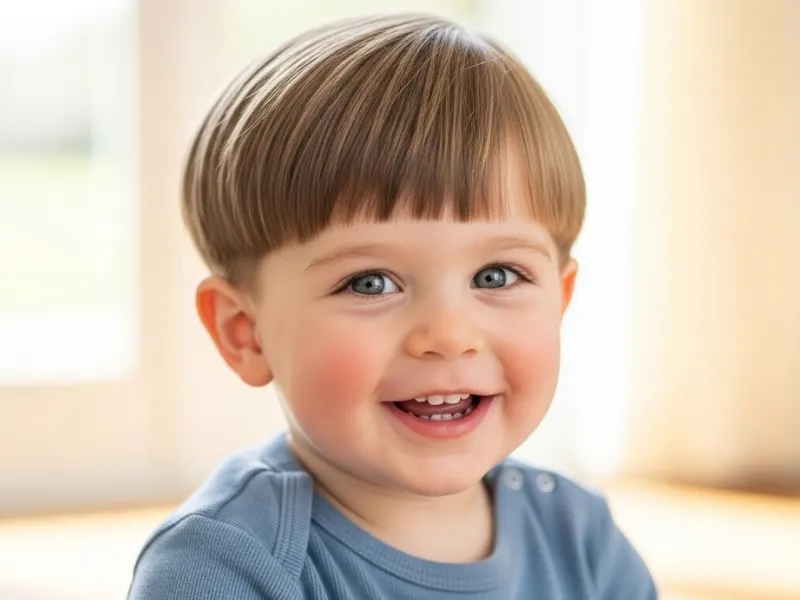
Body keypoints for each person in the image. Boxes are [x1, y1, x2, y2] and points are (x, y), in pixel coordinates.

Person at [128, 13, 657, 599]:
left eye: (497, 275)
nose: (449, 334)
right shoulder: (222, 568)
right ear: (245, 332)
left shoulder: (582, 540)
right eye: (371, 283)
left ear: (560, 300)